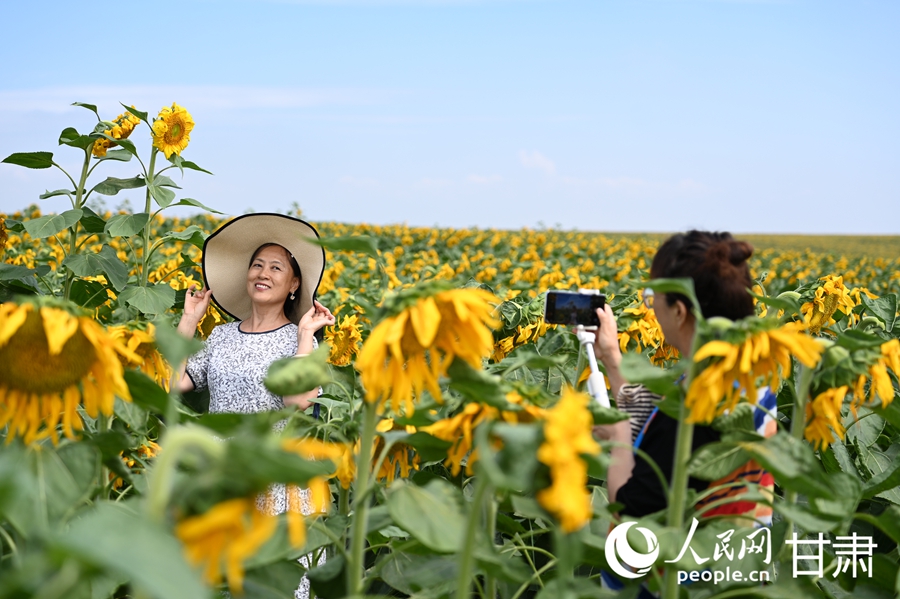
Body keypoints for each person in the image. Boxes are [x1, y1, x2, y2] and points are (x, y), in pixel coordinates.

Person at [175, 213, 335, 599]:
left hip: (279, 484)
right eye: (257, 265)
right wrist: (188, 322)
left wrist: (304, 335)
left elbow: (300, 401)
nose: (263, 273)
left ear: (294, 284)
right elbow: (174, 383)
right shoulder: (221, 335)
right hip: (226, 478)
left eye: (276, 267)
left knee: (275, 586)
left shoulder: (300, 343)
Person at [592, 230, 776, 522]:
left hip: (687, 565)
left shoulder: (701, 405)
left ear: (678, 311)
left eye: (652, 298)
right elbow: (660, 429)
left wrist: (618, 434)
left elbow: (632, 508)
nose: (650, 308)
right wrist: (612, 359)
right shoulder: (743, 374)